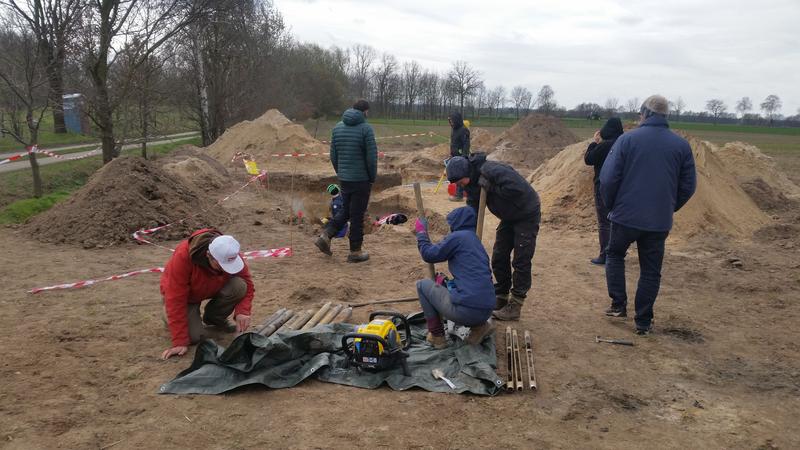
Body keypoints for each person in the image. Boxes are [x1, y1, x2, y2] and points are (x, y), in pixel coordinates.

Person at [599, 95, 697, 335]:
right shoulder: (681, 146)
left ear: (645, 113)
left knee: (614, 255)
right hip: (658, 221)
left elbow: (608, 178)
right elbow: (688, 186)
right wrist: (668, 206)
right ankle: (643, 321)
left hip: (624, 216)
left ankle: (618, 305)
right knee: (651, 270)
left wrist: (611, 205)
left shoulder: (627, 140)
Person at [446, 154, 541, 321]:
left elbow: (517, 189)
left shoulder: (492, 171)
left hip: (526, 212)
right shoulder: (472, 183)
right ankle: (502, 295)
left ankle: (515, 305)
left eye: (460, 182)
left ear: (467, 172)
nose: (459, 186)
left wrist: (492, 188)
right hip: (508, 216)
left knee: (521, 259)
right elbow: (474, 208)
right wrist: (466, 234)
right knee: (499, 255)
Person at [160, 229, 255, 359]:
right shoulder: (183, 257)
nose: (225, 269)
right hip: (186, 297)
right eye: (221, 265)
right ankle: (168, 315)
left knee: (239, 285)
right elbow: (175, 298)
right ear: (208, 255)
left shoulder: (229, 250)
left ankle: (214, 319)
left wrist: (243, 311)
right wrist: (179, 341)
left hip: (212, 286)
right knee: (194, 337)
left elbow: (248, 283)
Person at [414, 206, 495, 348]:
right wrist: (448, 283)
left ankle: (437, 336)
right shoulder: (474, 241)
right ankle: (480, 327)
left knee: (422, 285)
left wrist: (421, 233)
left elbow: (429, 255)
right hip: (487, 310)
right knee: (461, 290)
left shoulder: (458, 237)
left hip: (466, 312)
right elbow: (472, 278)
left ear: (456, 224)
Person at [314, 99, 378, 263]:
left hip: (345, 179)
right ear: (364, 112)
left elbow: (333, 156)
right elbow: (371, 158)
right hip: (361, 179)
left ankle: (326, 235)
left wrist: (341, 172)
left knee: (347, 211)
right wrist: (371, 177)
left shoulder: (337, 128)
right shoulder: (366, 129)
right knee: (357, 215)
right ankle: (355, 252)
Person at [584, 117, 624, 265]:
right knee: (617, 221)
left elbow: (589, 159)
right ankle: (617, 252)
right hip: (621, 188)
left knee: (604, 222)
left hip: (603, 186)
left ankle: (605, 255)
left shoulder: (605, 145)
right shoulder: (623, 143)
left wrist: (594, 143)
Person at [448, 111, 471, 202]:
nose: (451, 123)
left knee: (460, 175)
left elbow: (466, 144)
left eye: (452, 121)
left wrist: (464, 157)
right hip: (454, 156)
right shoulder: (454, 129)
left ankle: (459, 195)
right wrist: (451, 153)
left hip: (461, 157)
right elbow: (453, 143)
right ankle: (463, 193)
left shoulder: (464, 130)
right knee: (455, 175)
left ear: (456, 120)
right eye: (450, 121)